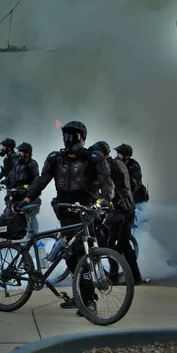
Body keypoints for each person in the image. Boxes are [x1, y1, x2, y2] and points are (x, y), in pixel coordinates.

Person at [19, 121, 113, 314]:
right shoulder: (55, 159)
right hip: (65, 215)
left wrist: (104, 200)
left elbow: (106, 183)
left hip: (87, 215)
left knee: (83, 256)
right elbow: (41, 181)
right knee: (70, 256)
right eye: (66, 135)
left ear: (83, 138)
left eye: (74, 135)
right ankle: (80, 297)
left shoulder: (94, 158)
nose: (69, 140)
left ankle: (87, 301)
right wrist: (27, 198)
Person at [91, 141, 142, 285]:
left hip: (118, 210)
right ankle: (136, 277)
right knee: (125, 244)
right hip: (128, 209)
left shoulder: (107, 166)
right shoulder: (119, 164)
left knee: (108, 243)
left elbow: (106, 188)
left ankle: (112, 277)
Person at [4, 142, 40, 233]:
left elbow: (36, 180)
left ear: (28, 153)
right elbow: (11, 175)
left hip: (27, 194)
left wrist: (28, 189)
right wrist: (4, 181)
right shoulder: (16, 163)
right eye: (19, 152)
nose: (19, 154)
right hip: (16, 192)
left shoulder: (32, 164)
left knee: (29, 215)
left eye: (22, 152)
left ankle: (34, 233)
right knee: (9, 209)